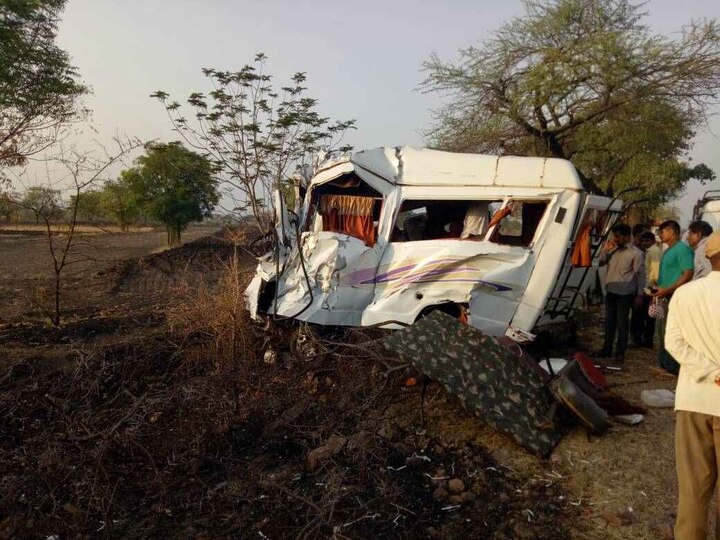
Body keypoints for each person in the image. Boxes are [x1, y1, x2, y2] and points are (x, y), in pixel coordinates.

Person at [665, 231, 720, 540]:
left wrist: (711, 371)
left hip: (693, 400)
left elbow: (673, 343)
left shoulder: (685, 293)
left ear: (709, 258)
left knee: (693, 490)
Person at [597, 223, 644, 362]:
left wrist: (640, 295)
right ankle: (606, 349)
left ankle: (620, 352)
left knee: (622, 323)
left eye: (618, 236)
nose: (616, 239)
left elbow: (641, 275)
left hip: (625, 294)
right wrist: (606, 251)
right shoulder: (613, 251)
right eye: (615, 236)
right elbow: (599, 263)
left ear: (626, 236)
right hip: (611, 292)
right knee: (609, 323)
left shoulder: (636, 253)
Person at [652, 220, 694, 375]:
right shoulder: (668, 250)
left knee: (672, 332)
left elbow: (688, 273)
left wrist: (668, 289)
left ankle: (671, 367)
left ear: (671, 232)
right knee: (662, 331)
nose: (660, 235)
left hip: (675, 296)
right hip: (664, 295)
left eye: (662, 232)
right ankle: (664, 364)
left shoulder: (682, 250)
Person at [630, 231, 659, 348]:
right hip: (647, 288)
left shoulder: (654, 251)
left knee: (646, 317)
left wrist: (649, 289)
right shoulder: (647, 252)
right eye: (643, 241)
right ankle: (644, 341)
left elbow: (654, 272)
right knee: (644, 317)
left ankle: (646, 341)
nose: (644, 243)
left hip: (649, 289)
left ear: (653, 241)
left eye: (647, 241)